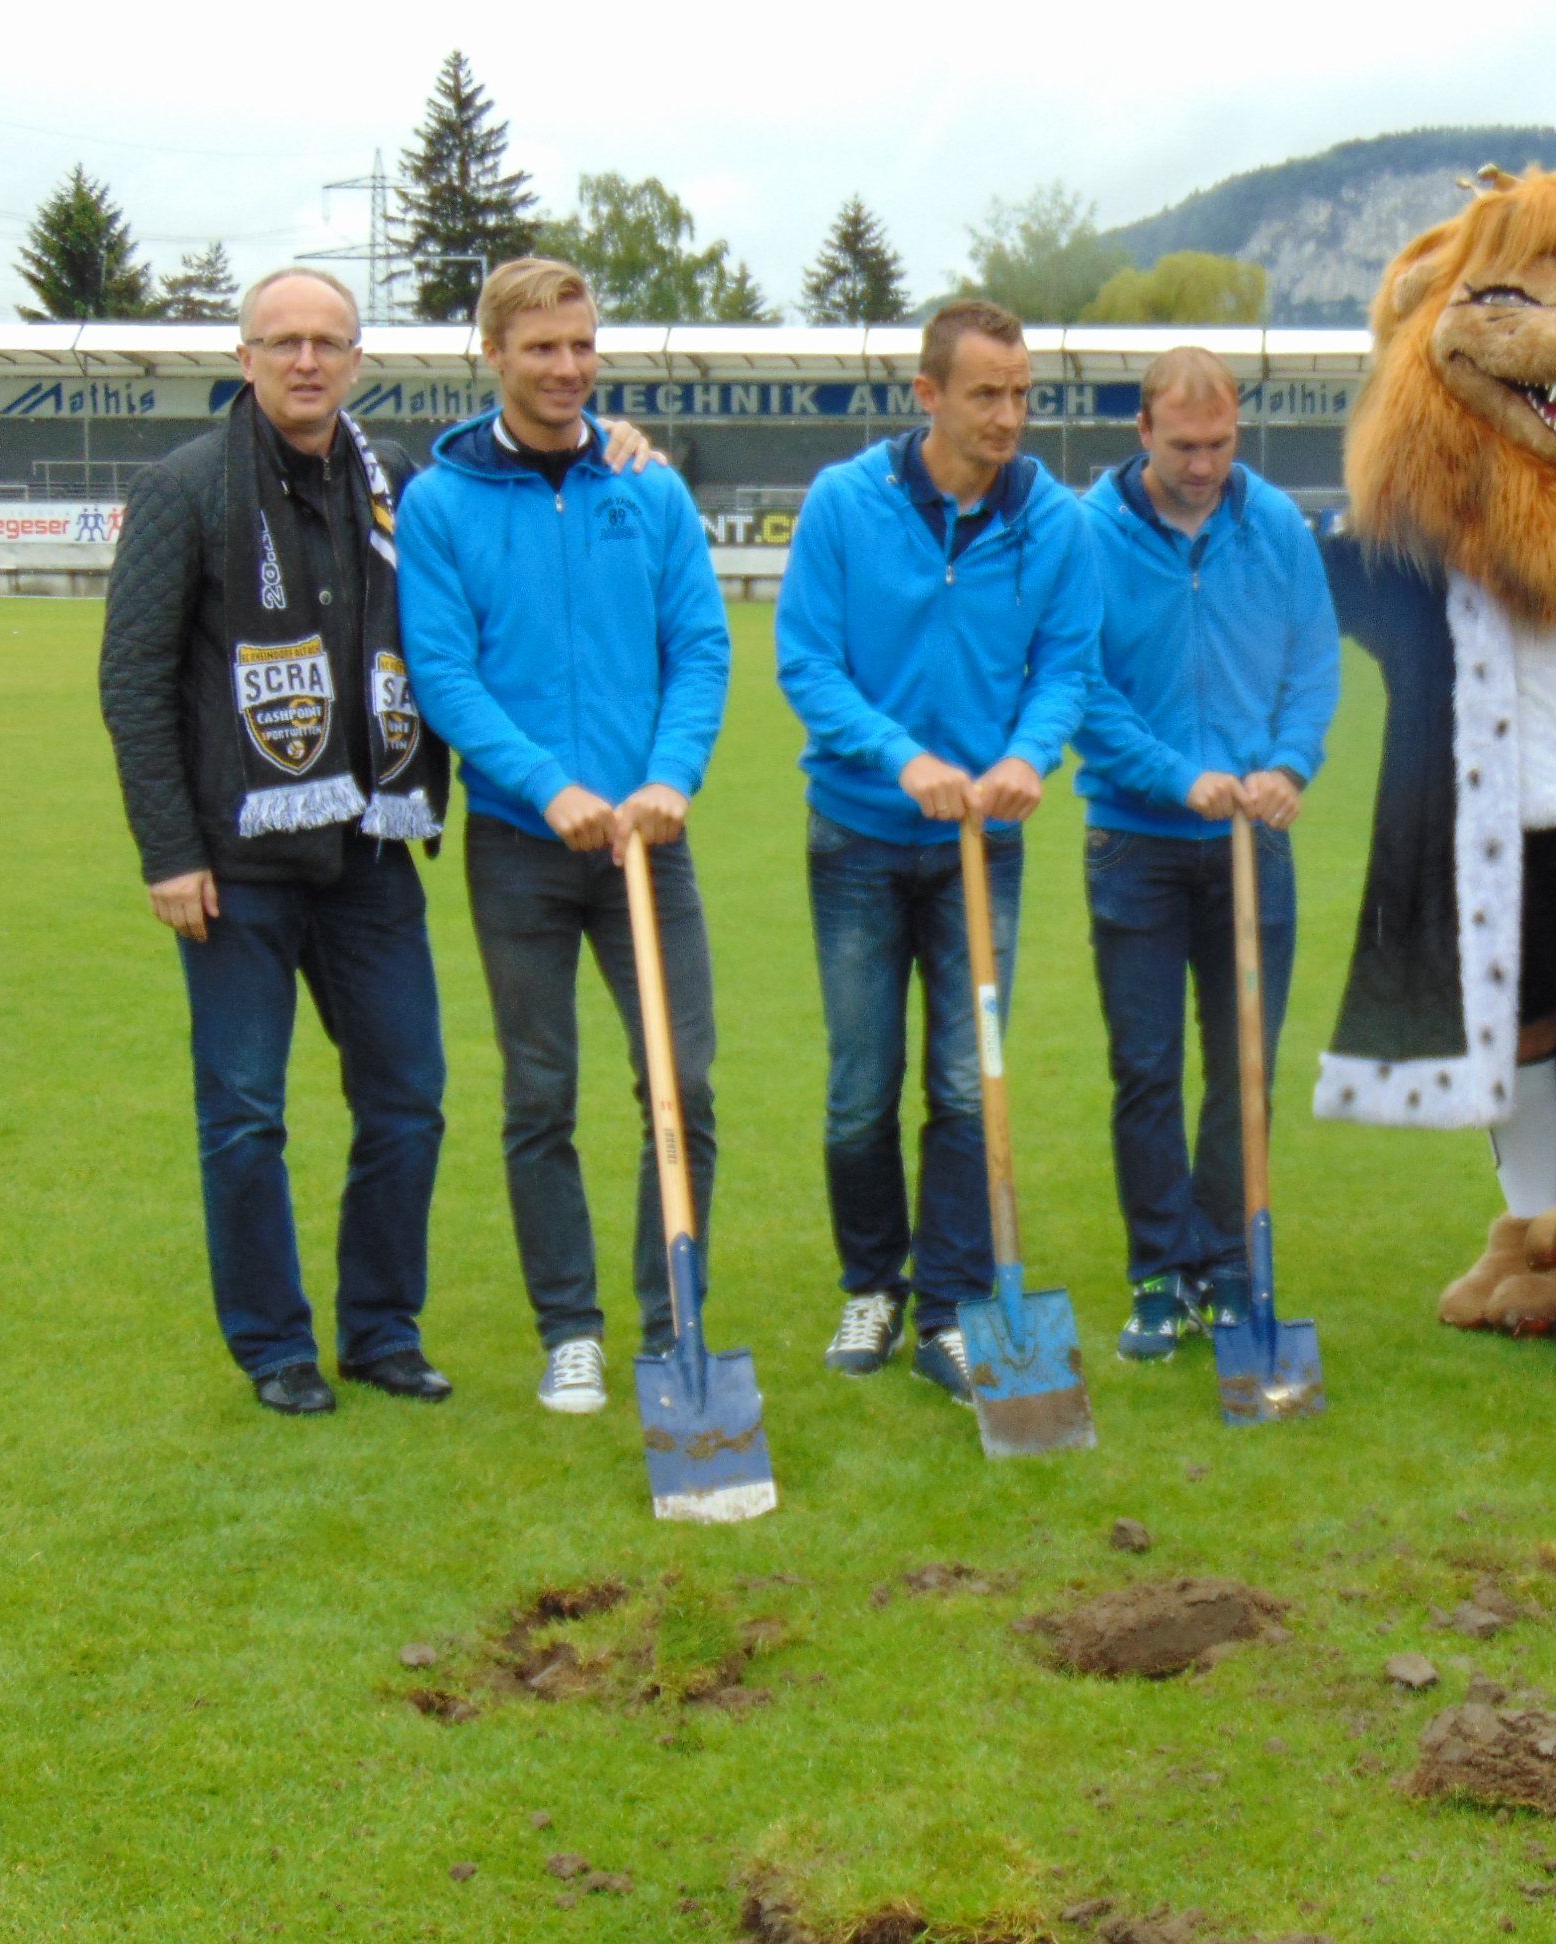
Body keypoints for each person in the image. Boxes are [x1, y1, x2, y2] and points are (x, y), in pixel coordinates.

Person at [98, 265, 453, 1416]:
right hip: (235, 865)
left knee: (408, 1098)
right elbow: (135, 681)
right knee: (246, 1114)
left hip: (369, 852)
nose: (306, 360)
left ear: (358, 361)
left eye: (327, 342)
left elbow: (506, 478)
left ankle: (383, 1332)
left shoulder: (397, 482)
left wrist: (620, 441)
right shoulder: (185, 488)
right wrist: (168, 851)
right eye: (283, 340)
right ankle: (274, 1348)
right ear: (243, 358)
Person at [398, 256, 732, 1415]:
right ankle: (571, 1332)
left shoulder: (648, 488)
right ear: (493, 353)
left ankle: (672, 1324)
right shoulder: (441, 505)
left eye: (583, 344)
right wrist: (548, 789)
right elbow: (445, 673)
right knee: (540, 1094)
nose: (568, 367)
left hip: (649, 843)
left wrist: (669, 776)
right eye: (542, 347)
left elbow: (700, 647)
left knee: (682, 1086)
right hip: (521, 847)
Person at [774, 299, 1100, 1406]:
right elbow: (808, 662)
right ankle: (873, 1285)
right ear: (928, 396)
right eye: (986, 395)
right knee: (860, 1086)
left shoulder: (1054, 521)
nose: (1009, 417)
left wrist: (1028, 755)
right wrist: (901, 757)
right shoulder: (843, 503)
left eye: (1023, 395)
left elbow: (1066, 665)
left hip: (981, 849)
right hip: (858, 836)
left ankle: (954, 1310)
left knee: (970, 1081)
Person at [1073, 347, 1340, 1359]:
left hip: (1249, 845)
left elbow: (1312, 663)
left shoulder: (1273, 525)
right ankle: (1159, 1274)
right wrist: (1173, 775)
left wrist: (1290, 764)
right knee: (1145, 1071)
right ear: (1142, 432)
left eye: (1220, 443)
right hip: (1134, 844)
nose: (1202, 465)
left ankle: (1229, 1264)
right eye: (1183, 445)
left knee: (1243, 1069)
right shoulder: (1087, 534)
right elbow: (1079, 687)